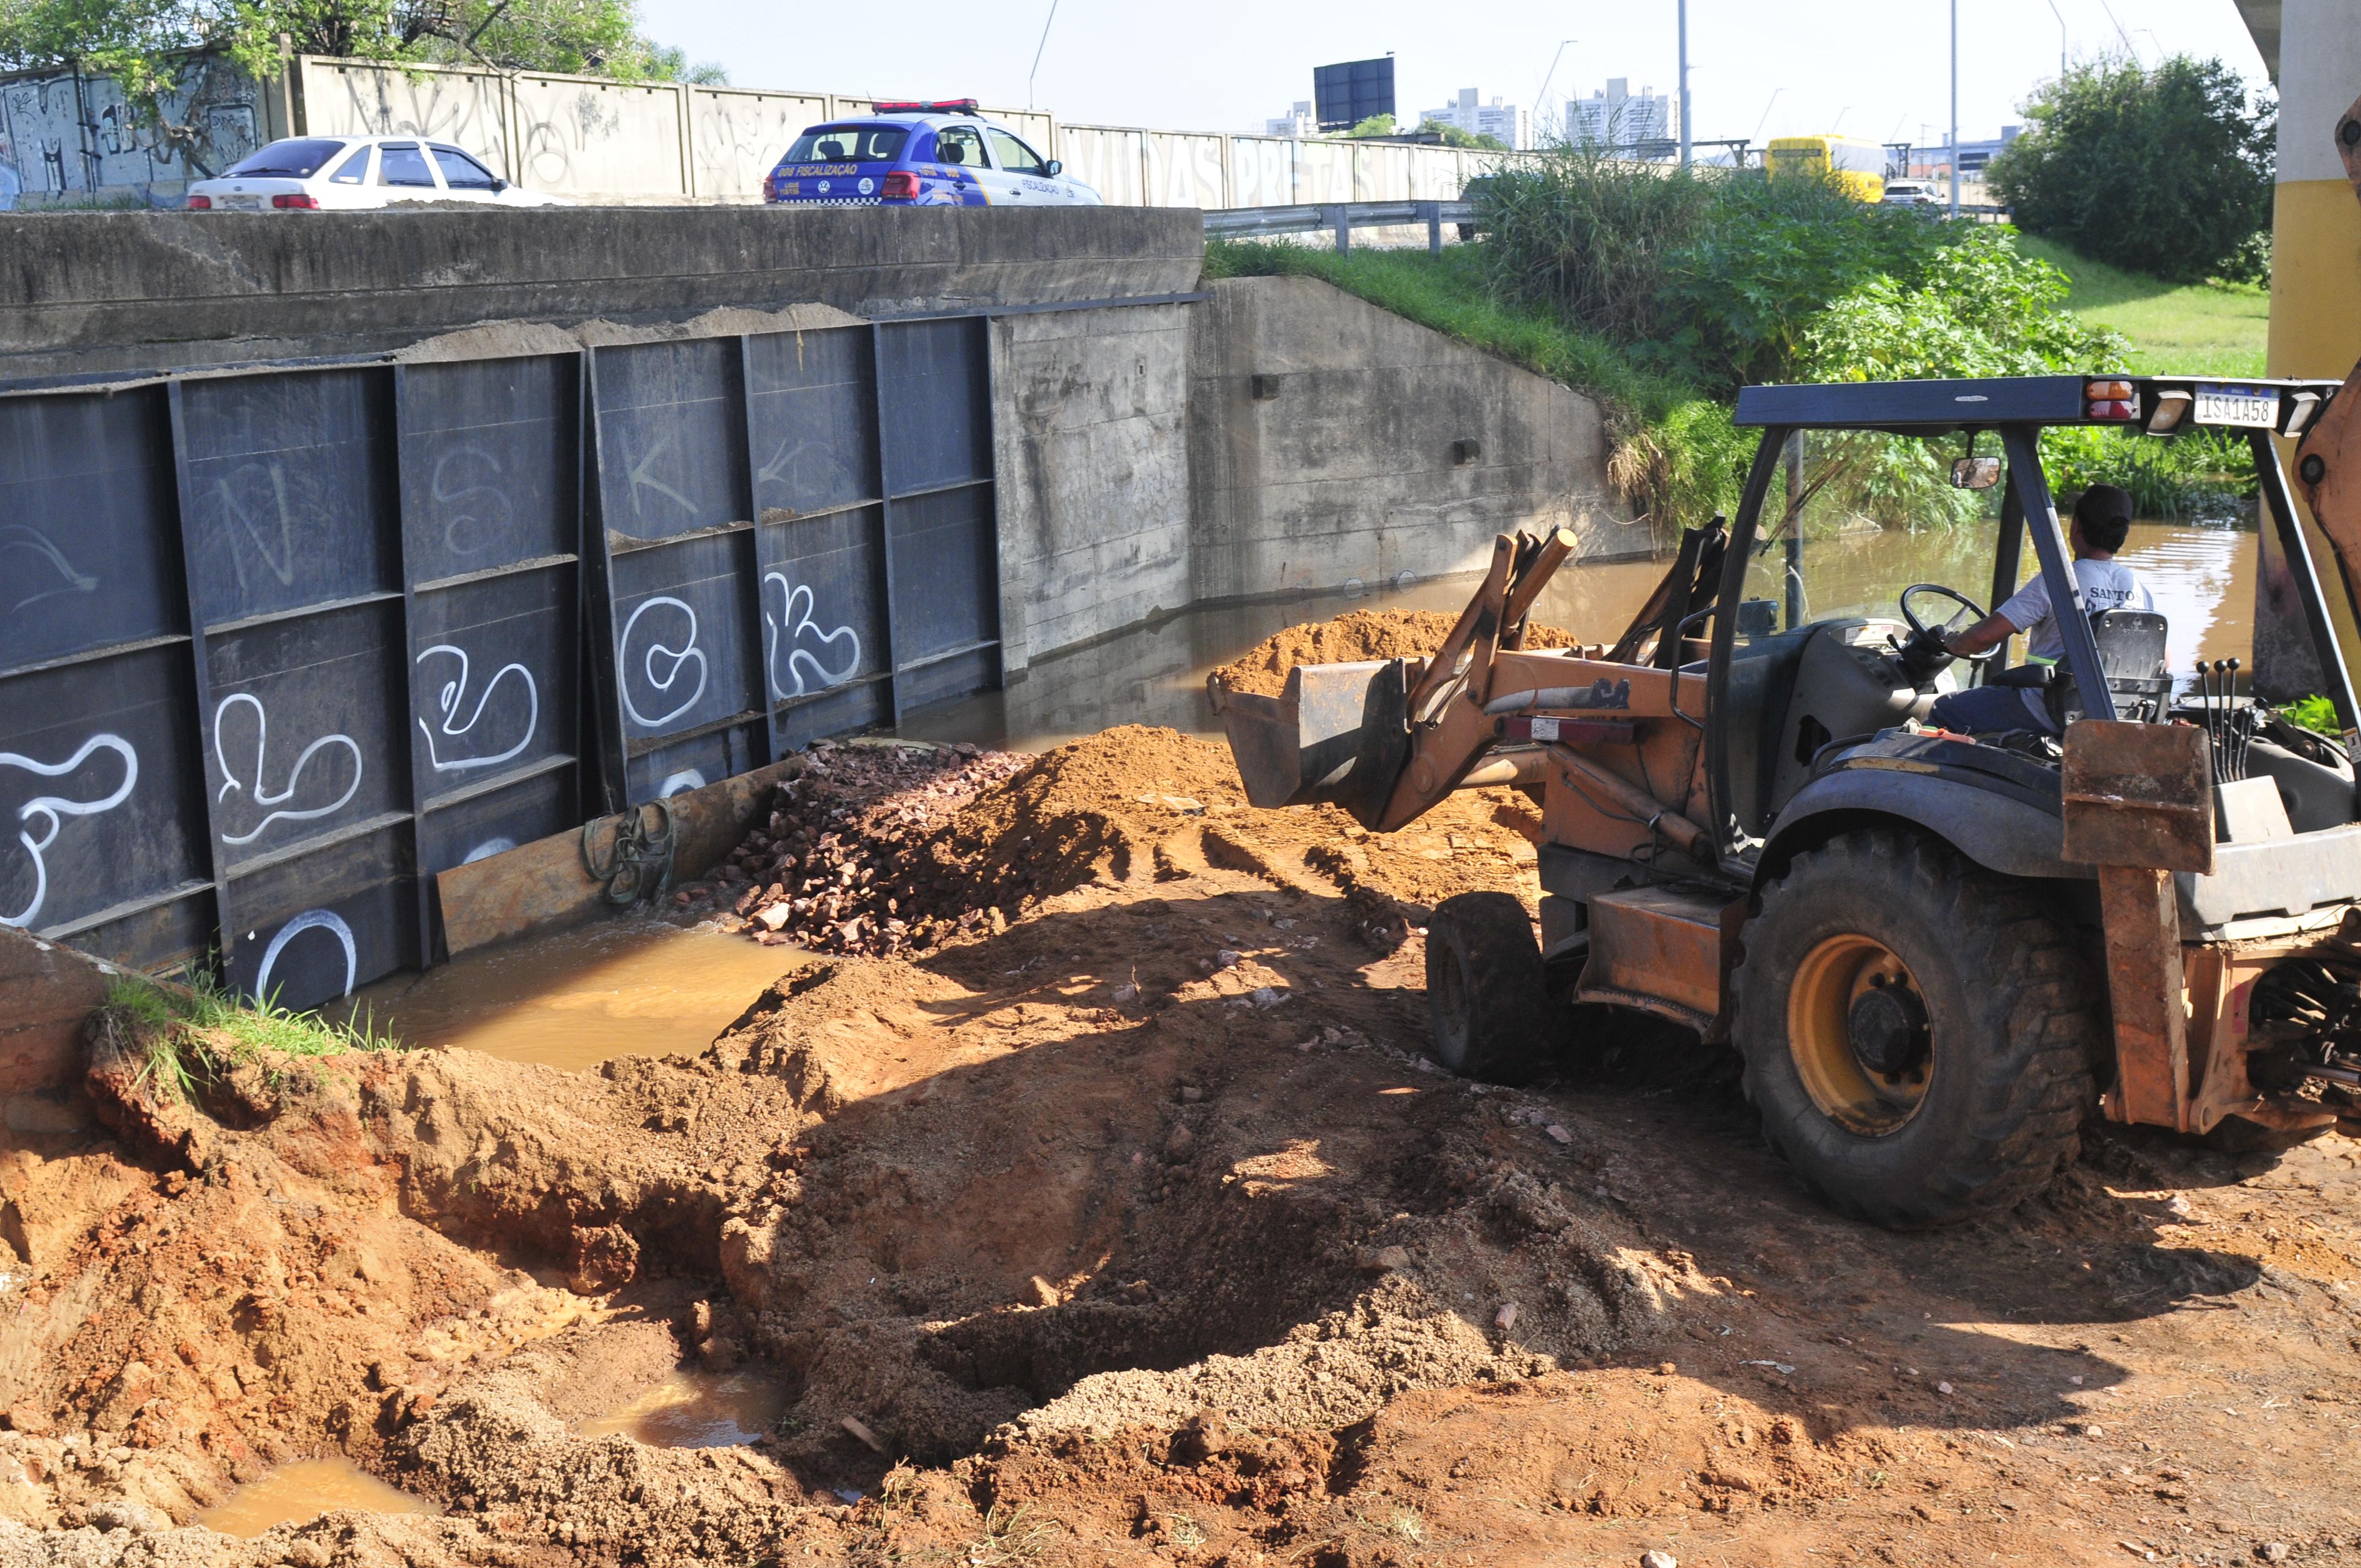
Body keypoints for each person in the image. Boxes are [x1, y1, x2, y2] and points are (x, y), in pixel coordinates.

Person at [1921, 483, 2153, 735]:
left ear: (2076, 527)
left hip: (2048, 709)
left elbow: (1981, 638)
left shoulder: (2061, 580)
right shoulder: (2140, 590)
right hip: (2115, 713)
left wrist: (1954, 644)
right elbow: (2159, 658)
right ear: (2122, 535)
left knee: (1947, 709)